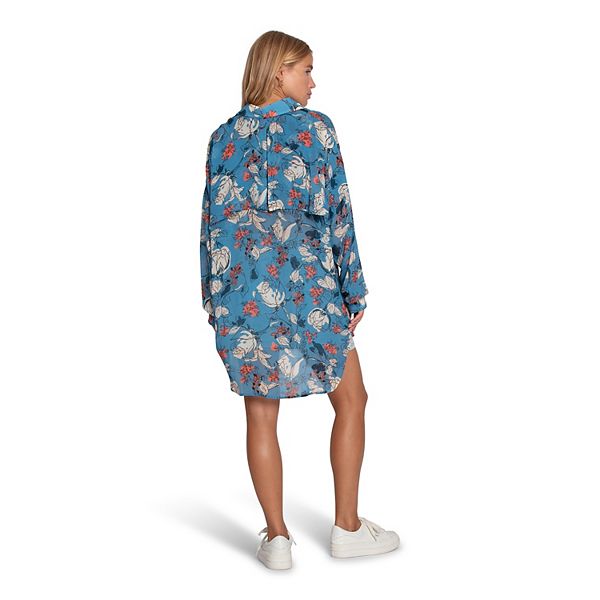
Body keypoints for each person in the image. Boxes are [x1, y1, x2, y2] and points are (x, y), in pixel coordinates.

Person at [200, 30, 399, 569]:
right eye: (306, 70)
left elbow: (210, 226)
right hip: (312, 291)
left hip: (244, 299)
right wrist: (353, 286)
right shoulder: (316, 130)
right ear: (279, 71)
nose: (313, 82)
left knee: (261, 416)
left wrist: (212, 299)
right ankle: (347, 528)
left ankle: (278, 539)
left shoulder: (222, 138)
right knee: (351, 399)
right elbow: (339, 212)